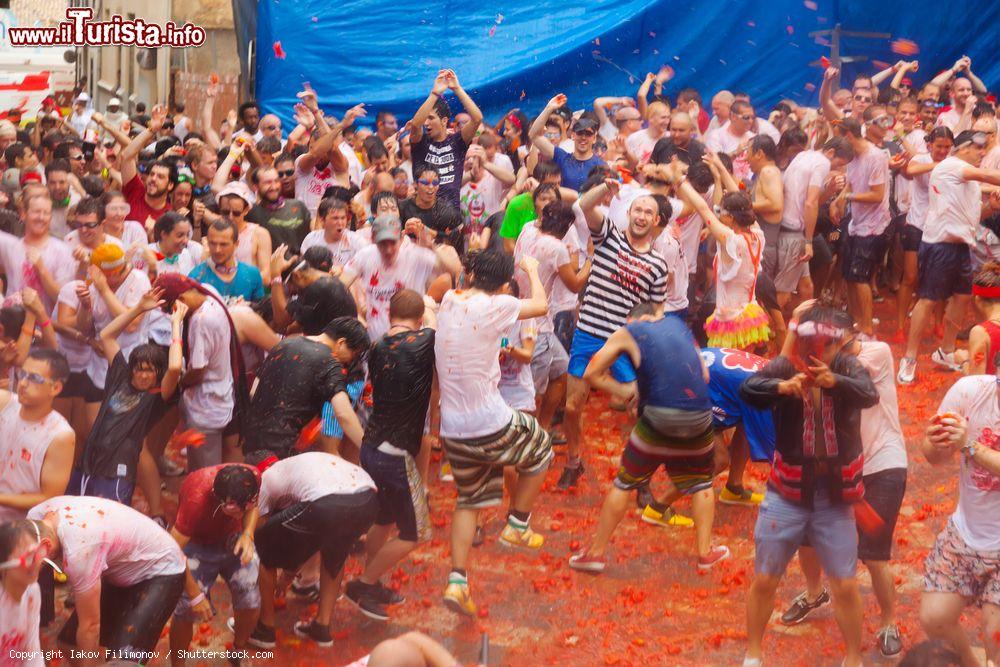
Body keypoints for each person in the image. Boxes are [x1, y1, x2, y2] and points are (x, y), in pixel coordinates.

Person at [739, 305, 879, 667]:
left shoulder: (848, 368)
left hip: (834, 497)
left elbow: (868, 393)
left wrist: (837, 383)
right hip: (785, 493)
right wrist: (781, 387)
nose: (820, 354)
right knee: (766, 578)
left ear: (837, 345)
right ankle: (753, 654)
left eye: (828, 346)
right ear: (801, 345)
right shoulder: (786, 367)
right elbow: (749, 388)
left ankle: (852, 658)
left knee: (846, 584)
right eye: (812, 346)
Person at [778, 314, 908, 658]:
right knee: (806, 537)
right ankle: (814, 592)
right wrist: (794, 330)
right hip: (836, 467)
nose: (823, 348)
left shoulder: (875, 352)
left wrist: (824, 362)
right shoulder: (810, 362)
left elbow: (862, 388)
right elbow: (775, 372)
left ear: (848, 335)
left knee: (873, 553)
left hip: (882, 464)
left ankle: (889, 621)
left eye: (830, 340)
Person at [568, 307, 729, 573]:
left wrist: (626, 390)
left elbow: (591, 373)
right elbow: (705, 375)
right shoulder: (680, 326)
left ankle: (595, 553)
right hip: (699, 414)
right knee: (702, 483)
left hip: (659, 415)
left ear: (634, 319)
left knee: (625, 481)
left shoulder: (628, 331)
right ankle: (705, 553)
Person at [435, 250, 552, 616]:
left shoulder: (451, 299)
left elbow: (462, 279)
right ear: (503, 286)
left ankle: (457, 581)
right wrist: (532, 270)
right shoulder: (497, 305)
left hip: (452, 429)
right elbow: (541, 306)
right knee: (543, 448)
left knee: (468, 500)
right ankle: (517, 523)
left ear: (468, 277)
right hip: (488, 420)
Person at [561, 179, 670, 488]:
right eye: (638, 209)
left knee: (638, 411)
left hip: (625, 342)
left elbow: (657, 311)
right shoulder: (609, 236)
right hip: (589, 333)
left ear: (656, 220)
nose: (642, 216)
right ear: (629, 213)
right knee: (571, 407)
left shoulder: (658, 265)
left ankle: (641, 478)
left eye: (648, 212)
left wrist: (651, 350)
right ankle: (573, 460)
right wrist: (603, 189)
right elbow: (585, 205)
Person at [344, 290, 436, 621]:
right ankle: (363, 583)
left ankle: (373, 581)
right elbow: (435, 329)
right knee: (417, 533)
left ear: (390, 316)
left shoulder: (378, 344)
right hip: (396, 456)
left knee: (383, 520)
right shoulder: (424, 341)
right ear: (420, 320)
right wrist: (434, 310)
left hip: (371, 448)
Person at [27, 496, 188, 665]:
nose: (33, 571)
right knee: (69, 646)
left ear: (46, 545)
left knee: (122, 662)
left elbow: (90, 626)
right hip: (120, 565)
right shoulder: (34, 518)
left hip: (161, 570)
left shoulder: (79, 551)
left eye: (33, 564)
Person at [247, 451, 378, 649]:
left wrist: (284, 575)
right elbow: (310, 538)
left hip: (329, 502)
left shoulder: (264, 479)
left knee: (262, 545)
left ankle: (264, 629)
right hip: (368, 500)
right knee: (335, 554)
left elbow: (263, 534)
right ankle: (322, 627)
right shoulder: (296, 465)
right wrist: (288, 574)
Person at [899, 131, 1000, 384]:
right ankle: (909, 358)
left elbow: (972, 217)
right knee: (928, 300)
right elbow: (989, 175)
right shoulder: (951, 166)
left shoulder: (968, 179)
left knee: (963, 297)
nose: (982, 152)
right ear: (963, 148)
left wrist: (992, 208)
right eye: (978, 148)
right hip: (939, 245)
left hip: (960, 246)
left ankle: (945, 351)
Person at [67, 289, 182, 507]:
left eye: (149, 371)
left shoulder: (156, 397)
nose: (143, 375)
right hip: (88, 463)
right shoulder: (121, 376)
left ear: (158, 375)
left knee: (108, 526)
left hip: (118, 473)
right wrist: (138, 308)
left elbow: (175, 367)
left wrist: (176, 323)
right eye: (138, 369)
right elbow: (106, 336)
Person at [920, 366, 1000, 667]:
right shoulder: (969, 391)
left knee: (996, 636)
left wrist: (969, 444)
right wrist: (939, 441)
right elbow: (932, 456)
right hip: (965, 532)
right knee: (934, 617)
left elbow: (969, 447)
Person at [154, 273, 249, 471]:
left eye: (170, 309)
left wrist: (179, 382)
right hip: (224, 389)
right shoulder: (207, 290)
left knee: (204, 472)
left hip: (207, 405)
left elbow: (197, 370)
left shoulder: (201, 321)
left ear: (180, 301)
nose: (172, 315)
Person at [169, 464, 261, 667]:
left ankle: (238, 649)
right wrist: (195, 596)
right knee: (184, 609)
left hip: (233, 537)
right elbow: (171, 552)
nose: (243, 511)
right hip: (197, 543)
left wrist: (247, 533)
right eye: (238, 509)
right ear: (221, 503)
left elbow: (254, 507)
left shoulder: (252, 476)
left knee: (251, 597)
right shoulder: (196, 500)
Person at [244, 316, 368, 460]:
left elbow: (254, 390)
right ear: (341, 343)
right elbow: (343, 414)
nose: (351, 360)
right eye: (354, 354)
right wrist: (368, 451)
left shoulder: (285, 344)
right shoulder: (330, 362)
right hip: (282, 450)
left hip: (251, 441)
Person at [676, 160, 770, 350]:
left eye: (721, 211)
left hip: (731, 320)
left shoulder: (730, 240)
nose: (717, 213)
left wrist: (679, 182)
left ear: (731, 217)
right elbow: (743, 201)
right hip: (749, 313)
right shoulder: (757, 234)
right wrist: (719, 170)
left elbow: (703, 209)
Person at [339, 214, 460, 341]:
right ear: (373, 239)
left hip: (410, 341)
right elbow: (340, 286)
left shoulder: (415, 255)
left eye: (392, 243)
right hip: (376, 340)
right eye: (383, 244)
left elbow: (454, 271)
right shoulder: (365, 255)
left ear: (402, 239)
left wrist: (431, 247)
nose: (388, 250)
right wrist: (357, 316)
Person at [775, 137, 854, 309]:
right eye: (838, 164)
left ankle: (805, 326)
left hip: (788, 226)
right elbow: (810, 204)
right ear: (831, 152)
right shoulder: (822, 163)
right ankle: (767, 331)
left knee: (806, 287)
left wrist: (830, 190)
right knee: (783, 293)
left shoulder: (804, 155)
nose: (836, 169)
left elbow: (812, 202)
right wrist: (808, 241)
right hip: (794, 232)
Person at [0, 349, 75, 522]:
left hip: (18, 528)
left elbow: (49, 497)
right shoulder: (5, 404)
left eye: (34, 378)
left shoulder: (60, 435)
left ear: (55, 388)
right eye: (22, 374)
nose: (23, 383)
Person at [408, 69, 483, 209]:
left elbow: (477, 118)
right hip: (421, 215)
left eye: (431, 118)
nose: (426, 123)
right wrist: (434, 94)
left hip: (450, 218)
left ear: (444, 121)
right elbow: (416, 124)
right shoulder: (420, 143)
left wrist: (457, 89)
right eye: (426, 118)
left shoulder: (457, 142)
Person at [0, 191, 74, 313]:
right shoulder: (12, 247)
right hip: (13, 327)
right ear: (23, 214)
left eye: (46, 213)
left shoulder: (63, 251)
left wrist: (41, 269)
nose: (41, 217)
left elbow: (63, 301)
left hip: (48, 328)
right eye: (36, 212)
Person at [530, 95, 606, 191]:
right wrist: (549, 108)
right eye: (580, 133)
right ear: (573, 135)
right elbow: (534, 135)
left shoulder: (601, 166)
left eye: (588, 134)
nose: (583, 137)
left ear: (594, 138)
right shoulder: (561, 157)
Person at [189, 219, 265, 304]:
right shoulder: (196, 277)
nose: (217, 250)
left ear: (236, 244)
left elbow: (260, 312)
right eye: (213, 243)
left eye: (223, 244)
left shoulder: (252, 274)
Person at [245, 166, 311, 254]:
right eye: (267, 183)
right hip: (271, 265)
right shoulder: (251, 211)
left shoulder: (298, 205)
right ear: (255, 187)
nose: (274, 187)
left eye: (276, 181)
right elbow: (220, 190)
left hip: (300, 264)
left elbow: (310, 239)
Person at [217, 180, 272, 284]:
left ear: (246, 210)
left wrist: (237, 282)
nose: (230, 217)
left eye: (236, 213)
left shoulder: (259, 234)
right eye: (225, 212)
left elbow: (266, 275)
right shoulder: (215, 233)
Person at [399, 164, 464, 250]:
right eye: (425, 183)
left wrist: (429, 232)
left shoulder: (447, 211)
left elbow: (456, 242)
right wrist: (405, 231)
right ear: (415, 184)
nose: (430, 187)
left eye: (435, 183)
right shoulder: (402, 208)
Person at [300, 197, 368, 269]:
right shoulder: (311, 239)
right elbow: (304, 270)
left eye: (343, 218)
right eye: (335, 218)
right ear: (322, 220)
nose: (340, 223)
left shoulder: (357, 242)